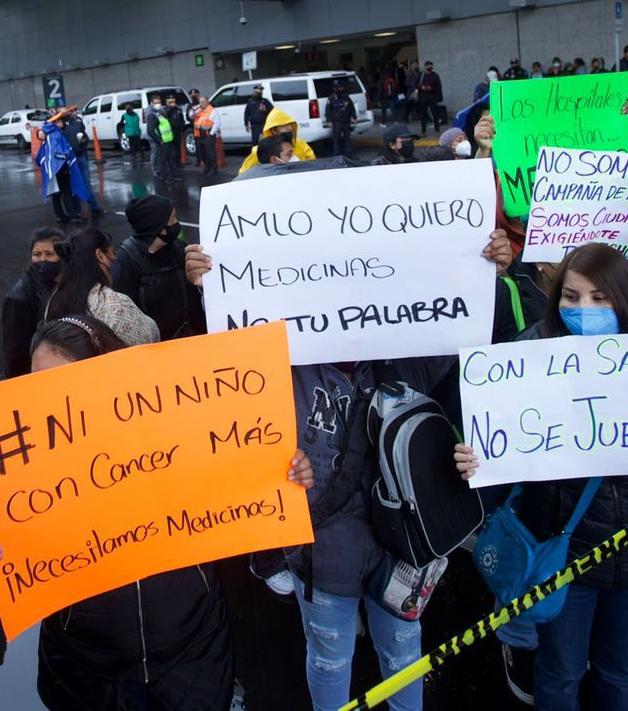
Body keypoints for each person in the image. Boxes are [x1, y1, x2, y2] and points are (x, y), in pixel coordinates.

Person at [184, 232, 507, 711]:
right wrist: (207, 290)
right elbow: (221, 382)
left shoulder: (408, 351)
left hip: (405, 550)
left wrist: (485, 275)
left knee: (402, 652)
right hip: (322, 554)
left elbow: (466, 341)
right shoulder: (280, 363)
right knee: (330, 658)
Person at [0, 317, 303, 710]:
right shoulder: (25, 465)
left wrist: (287, 475)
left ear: (103, 372)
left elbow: (242, 481)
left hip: (190, 650)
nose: (49, 397)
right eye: (37, 381)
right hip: (88, 669)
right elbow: (16, 561)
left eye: (64, 383)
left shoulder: (170, 428)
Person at [490, 243, 628, 708]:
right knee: (560, 672)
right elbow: (499, 440)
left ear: (625, 298)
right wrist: (479, 456)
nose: (583, 309)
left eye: (600, 297)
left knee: (618, 673)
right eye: (571, 297)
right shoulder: (531, 353)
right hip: (563, 550)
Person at [44, 227, 158, 346]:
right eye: (113, 253)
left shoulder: (54, 300)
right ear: (100, 256)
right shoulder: (116, 305)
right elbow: (145, 345)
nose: (115, 258)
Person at [112, 194, 204, 341]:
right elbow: (123, 310)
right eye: (173, 218)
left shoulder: (180, 248)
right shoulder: (127, 259)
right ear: (158, 225)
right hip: (158, 347)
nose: (176, 223)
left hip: (194, 337)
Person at [0, 226, 62, 378]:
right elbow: (15, 353)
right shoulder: (19, 297)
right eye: (37, 254)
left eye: (49, 254)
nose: (42, 260)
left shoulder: (64, 281)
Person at [36, 111, 92, 224]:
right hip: (59, 168)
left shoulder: (50, 132)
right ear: (56, 123)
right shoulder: (55, 134)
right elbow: (60, 153)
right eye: (60, 121)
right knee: (66, 191)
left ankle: (59, 215)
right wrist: (66, 165)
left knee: (55, 193)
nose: (62, 122)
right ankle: (73, 216)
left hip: (51, 169)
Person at [62, 107, 104, 216]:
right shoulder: (59, 128)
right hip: (70, 161)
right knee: (75, 185)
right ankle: (77, 210)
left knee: (86, 183)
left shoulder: (77, 123)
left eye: (67, 111)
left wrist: (83, 140)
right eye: (63, 112)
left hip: (81, 156)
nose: (66, 113)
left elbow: (86, 137)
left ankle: (94, 207)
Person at [148, 94, 183, 182]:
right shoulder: (153, 116)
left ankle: (172, 175)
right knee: (162, 161)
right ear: (151, 104)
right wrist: (160, 140)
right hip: (162, 142)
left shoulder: (161, 113)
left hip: (169, 140)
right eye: (156, 103)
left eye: (159, 102)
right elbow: (150, 131)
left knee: (171, 159)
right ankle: (165, 178)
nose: (158, 104)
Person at [324, 81, 358, 156]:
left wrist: (354, 117)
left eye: (342, 87)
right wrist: (329, 121)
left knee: (347, 138)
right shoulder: (331, 98)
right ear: (335, 88)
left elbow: (351, 108)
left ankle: (349, 154)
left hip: (346, 120)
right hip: (337, 122)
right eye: (340, 87)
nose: (342, 88)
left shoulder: (346, 96)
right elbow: (328, 111)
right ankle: (336, 154)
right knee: (336, 138)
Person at [192, 90, 219, 174]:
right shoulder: (199, 111)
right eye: (200, 102)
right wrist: (194, 111)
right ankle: (207, 168)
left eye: (203, 102)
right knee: (202, 154)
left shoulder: (212, 111)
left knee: (211, 154)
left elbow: (217, 123)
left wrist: (211, 135)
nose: (201, 104)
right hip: (199, 135)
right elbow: (191, 116)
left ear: (207, 102)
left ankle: (214, 169)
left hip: (208, 135)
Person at [416, 61, 444, 135]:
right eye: (429, 66)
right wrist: (421, 87)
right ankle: (423, 131)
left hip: (433, 98)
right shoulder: (421, 75)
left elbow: (439, 87)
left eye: (431, 66)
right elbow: (416, 84)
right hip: (423, 98)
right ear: (425, 67)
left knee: (435, 115)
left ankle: (437, 131)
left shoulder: (435, 75)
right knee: (423, 115)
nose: (430, 68)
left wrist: (430, 88)